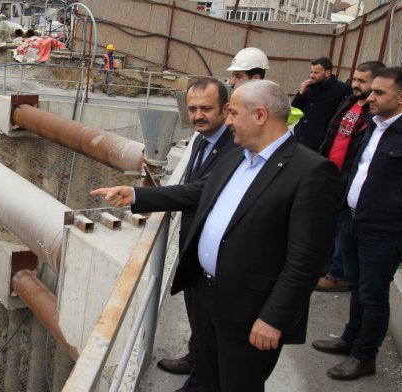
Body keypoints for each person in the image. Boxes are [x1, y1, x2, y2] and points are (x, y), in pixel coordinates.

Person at [91, 80, 342, 391]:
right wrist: (135, 195)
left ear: (260, 115)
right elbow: (197, 192)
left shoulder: (311, 171)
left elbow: (306, 261)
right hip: (207, 295)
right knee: (208, 378)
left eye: (233, 112)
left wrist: (275, 318)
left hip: (252, 312)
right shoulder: (237, 155)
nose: (229, 120)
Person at [311, 67, 402, 381]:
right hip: (354, 221)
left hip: (386, 232)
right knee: (357, 287)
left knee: (373, 296)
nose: (370, 97)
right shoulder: (372, 127)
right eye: (371, 90)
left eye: (379, 93)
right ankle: (350, 338)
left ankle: (364, 356)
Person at [156, 78, 238, 392]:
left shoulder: (231, 147)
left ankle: (200, 382)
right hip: (195, 246)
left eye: (206, 108)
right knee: (198, 316)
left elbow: (197, 193)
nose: (198, 115)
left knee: (210, 322)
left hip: (214, 252)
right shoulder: (201, 139)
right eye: (192, 109)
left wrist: (139, 197)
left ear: (225, 110)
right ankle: (196, 358)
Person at [315, 61, 386, 293]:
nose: (355, 84)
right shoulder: (349, 103)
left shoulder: (374, 115)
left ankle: (338, 274)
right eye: (354, 79)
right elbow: (332, 136)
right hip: (330, 173)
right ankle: (326, 266)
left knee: (343, 226)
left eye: (362, 81)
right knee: (327, 224)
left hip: (349, 178)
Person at [292, 57, 353, 151]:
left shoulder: (342, 89)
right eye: (311, 72)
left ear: (327, 73)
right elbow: (295, 109)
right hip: (299, 138)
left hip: (319, 144)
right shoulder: (309, 86)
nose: (312, 75)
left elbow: (341, 117)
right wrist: (300, 93)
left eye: (316, 73)